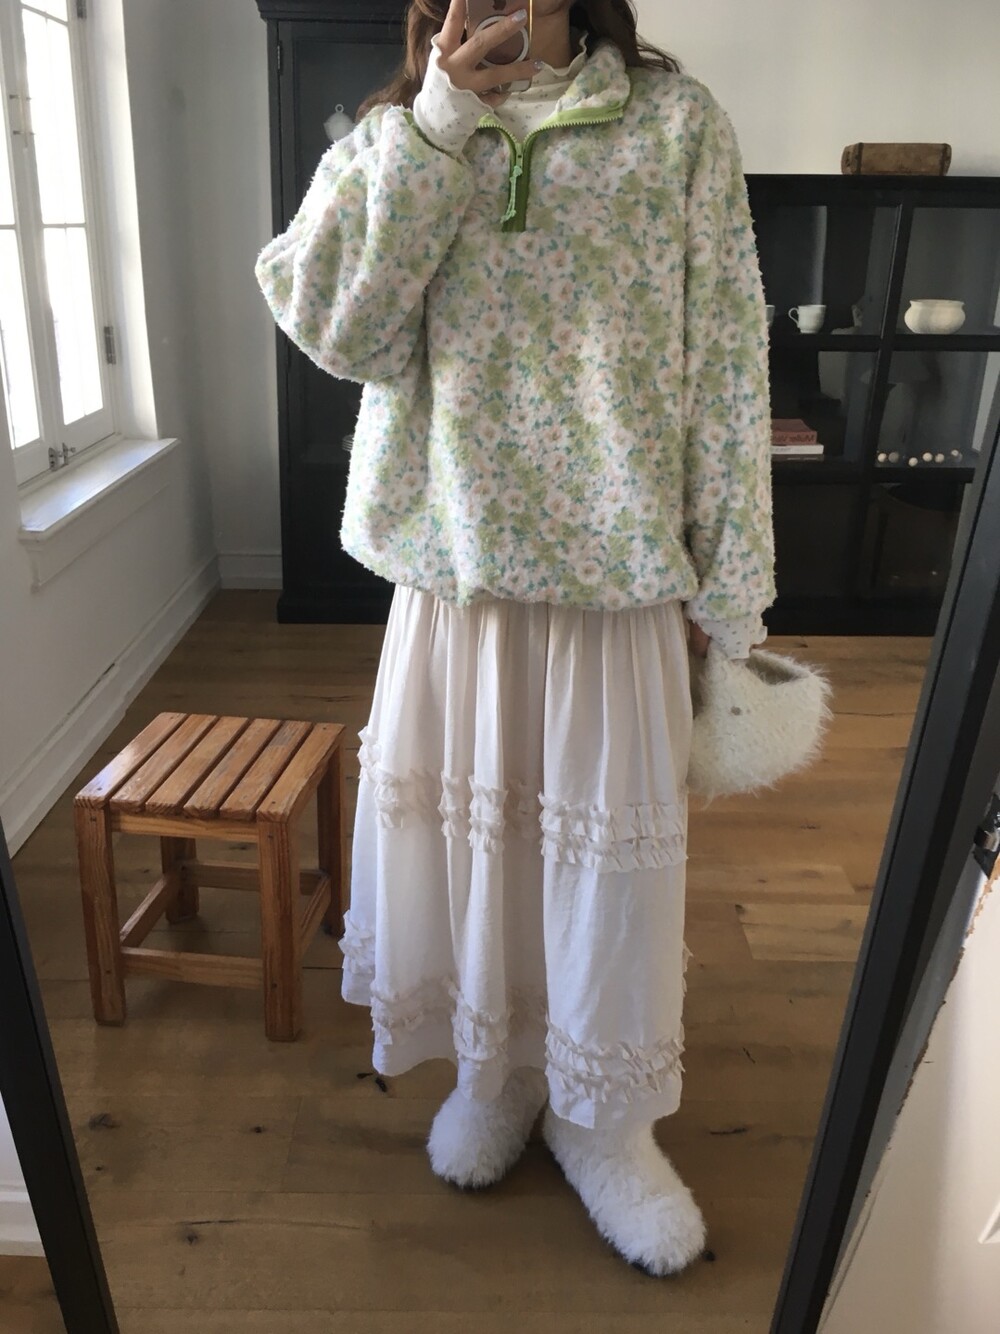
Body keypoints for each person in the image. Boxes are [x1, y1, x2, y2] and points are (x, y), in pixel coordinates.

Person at [255, 0, 775, 1278]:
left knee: (603, 870)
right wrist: (438, 125)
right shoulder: (395, 134)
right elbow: (334, 329)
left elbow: (727, 362)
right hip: (457, 570)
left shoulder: (674, 126)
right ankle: (496, 1072)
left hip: (615, 570)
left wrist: (732, 584)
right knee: (474, 847)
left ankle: (606, 1122)